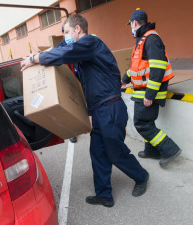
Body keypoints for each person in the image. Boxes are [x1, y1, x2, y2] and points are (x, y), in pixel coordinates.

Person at [21, 14, 149, 207]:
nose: (65, 37)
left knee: (114, 151)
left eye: (66, 32)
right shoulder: (82, 54)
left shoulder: (91, 42)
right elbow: (64, 52)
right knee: (97, 152)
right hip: (98, 110)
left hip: (110, 107)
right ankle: (104, 194)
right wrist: (89, 113)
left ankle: (141, 176)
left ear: (78, 29)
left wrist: (34, 58)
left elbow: (64, 53)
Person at [121, 8, 181, 167]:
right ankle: (151, 150)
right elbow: (136, 67)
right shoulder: (143, 40)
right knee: (147, 122)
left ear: (134, 23)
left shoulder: (151, 39)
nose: (131, 28)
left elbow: (158, 69)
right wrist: (125, 79)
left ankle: (170, 149)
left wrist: (150, 95)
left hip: (149, 91)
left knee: (142, 123)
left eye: (130, 25)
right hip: (143, 90)